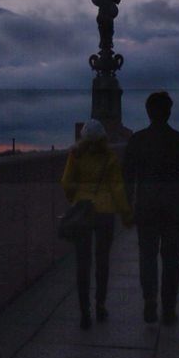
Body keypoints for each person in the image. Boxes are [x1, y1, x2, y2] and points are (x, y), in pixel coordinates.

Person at [123, 92, 179, 325]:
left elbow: (127, 178)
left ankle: (149, 300)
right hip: (174, 209)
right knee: (171, 259)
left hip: (146, 207)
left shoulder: (137, 141)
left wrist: (128, 205)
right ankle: (169, 308)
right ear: (169, 112)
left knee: (147, 257)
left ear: (148, 112)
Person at [60, 120, 133, 329]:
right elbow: (117, 188)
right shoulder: (109, 157)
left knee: (82, 264)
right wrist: (126, 214)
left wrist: (75, 197)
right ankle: (100, 306)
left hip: (83, 212)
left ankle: (84, 312)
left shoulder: (76, 155)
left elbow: (66, 182)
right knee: (102, 262)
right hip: (105, 213)